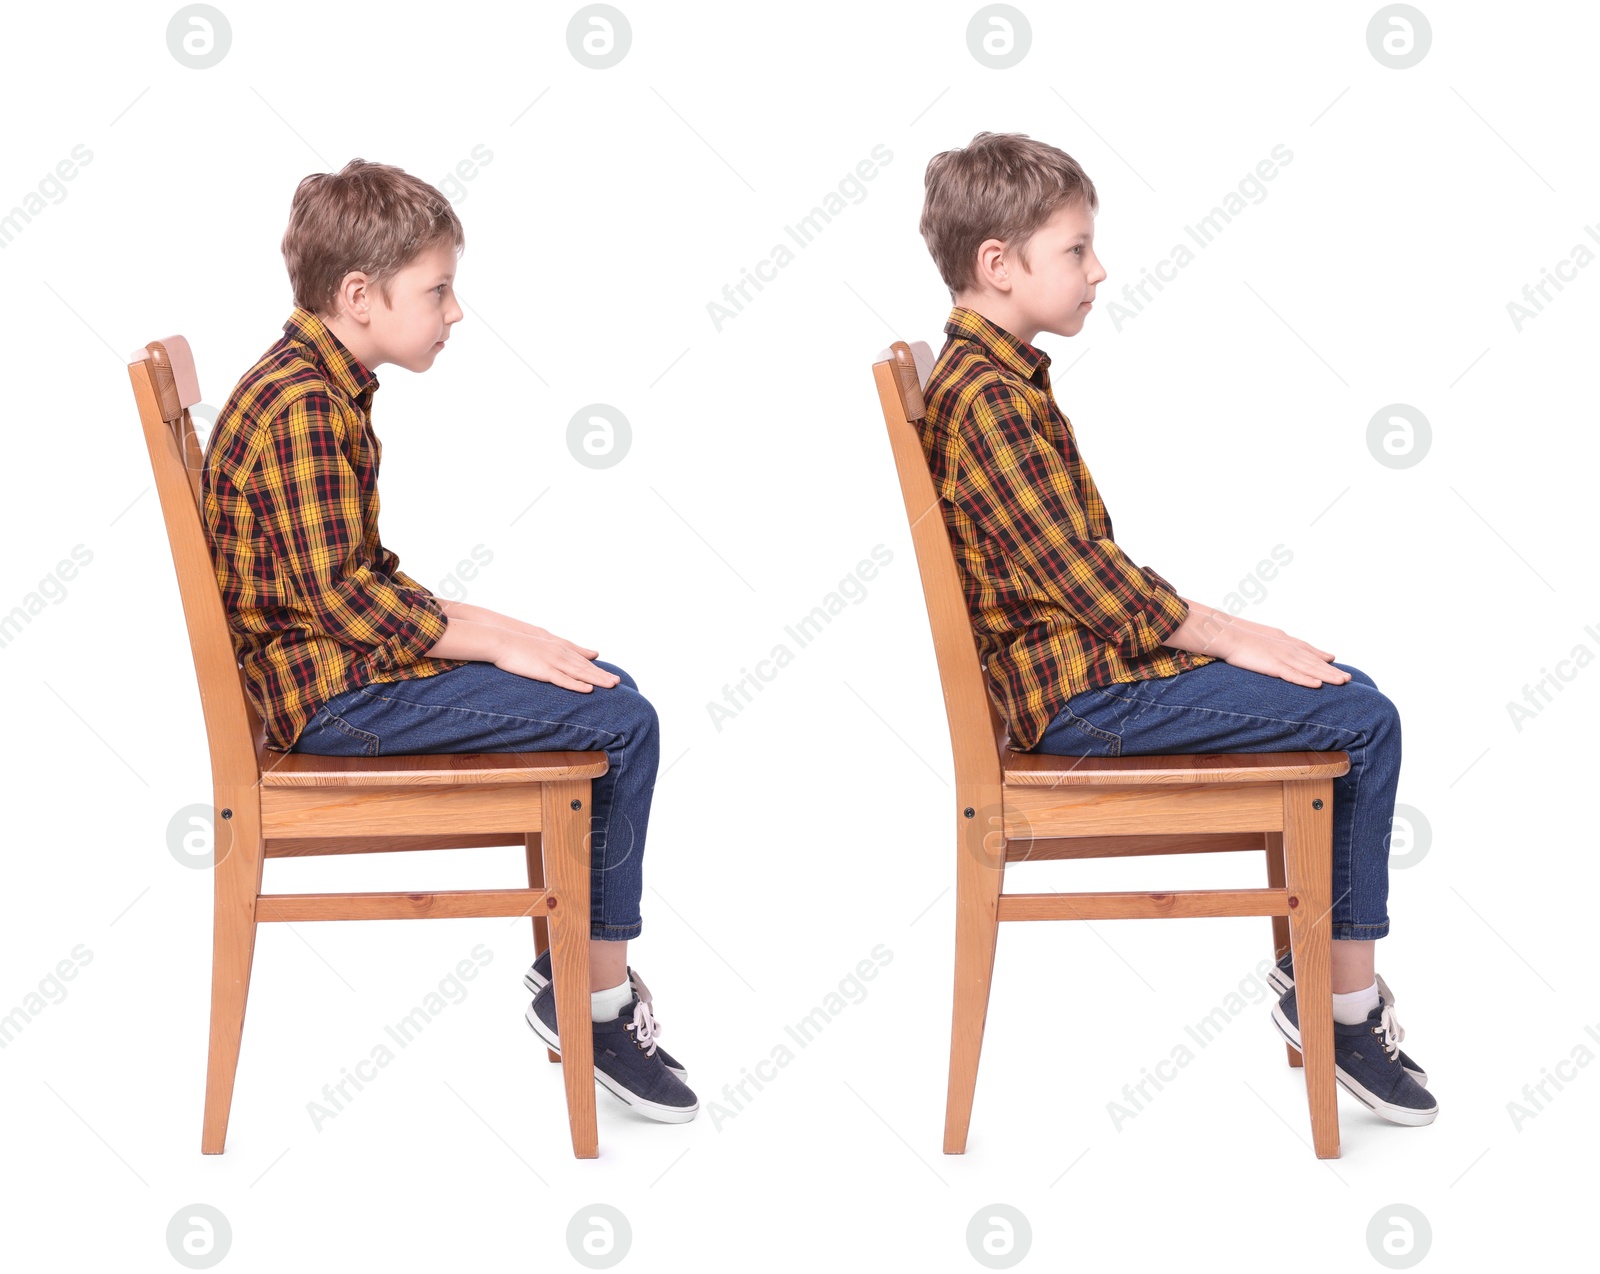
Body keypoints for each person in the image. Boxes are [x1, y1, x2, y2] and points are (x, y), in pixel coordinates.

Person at [914, 132, 1434, 1126]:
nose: (1097, 268)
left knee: (1342, 685)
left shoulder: (999, 376)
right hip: (1077, 705)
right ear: (998, 262)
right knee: (1363, 720)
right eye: (1074, 249)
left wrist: (1225, 625)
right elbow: (1086, 581)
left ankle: (1318, 987)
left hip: (1085, 675)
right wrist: (1224, 634)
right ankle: (1344, 1008)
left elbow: (1083, 569)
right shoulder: (985, 399)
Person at [200, 158, 695, 1123]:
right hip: (332, 706)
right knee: (626, 721)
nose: (455, 312)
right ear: (359, 295)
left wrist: (506, 631)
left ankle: (575, 987)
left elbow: (359, 576)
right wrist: (491, 643)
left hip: (338, 673)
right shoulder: (302, 405)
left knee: (607, 684)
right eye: (436, 290)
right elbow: (347, 604)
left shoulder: (317, 382)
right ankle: (591, 1006)